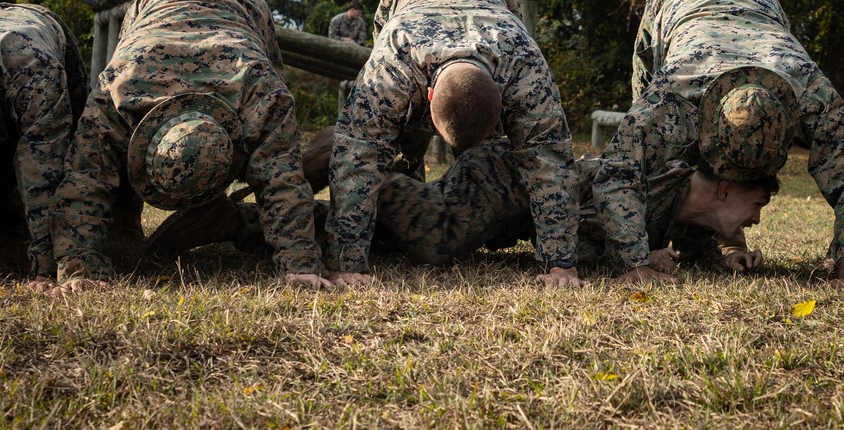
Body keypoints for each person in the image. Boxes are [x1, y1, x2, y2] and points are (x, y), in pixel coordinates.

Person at [48, 0, 335, 293]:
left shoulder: (263, 93)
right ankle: (124, 224)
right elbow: (85, 179)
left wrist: (300, 266)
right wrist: (79, 267)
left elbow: (282, 181)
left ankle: (224, 216)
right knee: (106, 150)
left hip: (245, 5)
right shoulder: (118, 88)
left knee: (271, 149)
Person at [594, 0, 844, 284]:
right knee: (657, 166)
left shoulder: (811, 94)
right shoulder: (674, 92)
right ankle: (661, 236)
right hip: (673, 0)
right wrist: (635, 263)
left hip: (760, 1)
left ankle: (704, 239)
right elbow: (619, 171)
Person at [144, 136, 777, 281]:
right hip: (504, 179)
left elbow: (687, 247)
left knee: (392, 246)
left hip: (510, 207)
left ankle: (237, 223)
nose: (754, 219)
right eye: (754, 205)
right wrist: (636, 258)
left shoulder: (686, 214)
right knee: (434, 242)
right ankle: (363, 163)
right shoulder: (649, 184)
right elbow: (578, 237)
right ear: (722, 189)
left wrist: (721, 260)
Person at [325, 0, 583, 287]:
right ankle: (403, 183)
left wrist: (560, 265)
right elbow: (356, 155)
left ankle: (399, 212)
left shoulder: (525, 66)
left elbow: (549, 158)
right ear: (426, 96)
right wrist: (347, 263)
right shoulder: (390, 66)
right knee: (389, 135)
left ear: (506, 99)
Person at [0, 4, 88, 281]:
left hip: (41, 27)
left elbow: (44, 168)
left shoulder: (36, 74)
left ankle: (124, 220)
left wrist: (50, 266)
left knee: (79, 141)